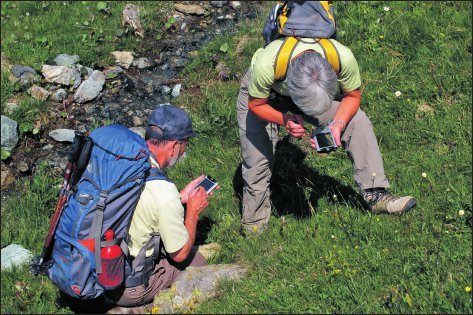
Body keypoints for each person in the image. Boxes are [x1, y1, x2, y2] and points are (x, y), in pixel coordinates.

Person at [237, 37, 416, 234]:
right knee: (257, 159)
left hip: (309, 91)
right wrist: (285, 120)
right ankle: (254, 225)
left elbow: (353, 96)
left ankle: (376, 195)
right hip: (263, 96)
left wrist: (337, 125)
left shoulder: (342, 57)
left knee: (357, 121)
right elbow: (256, 104)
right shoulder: (267, 65)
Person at [105, 104, 216, 312]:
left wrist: (180, 198)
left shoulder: (125, 162)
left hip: (98, 267)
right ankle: (135, 309)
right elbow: (180, 255)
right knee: (196, 260)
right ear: (174, 146)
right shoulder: (163, 193)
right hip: (127, 286)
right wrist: (191, 212)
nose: (184, 150)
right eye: (185, 144)